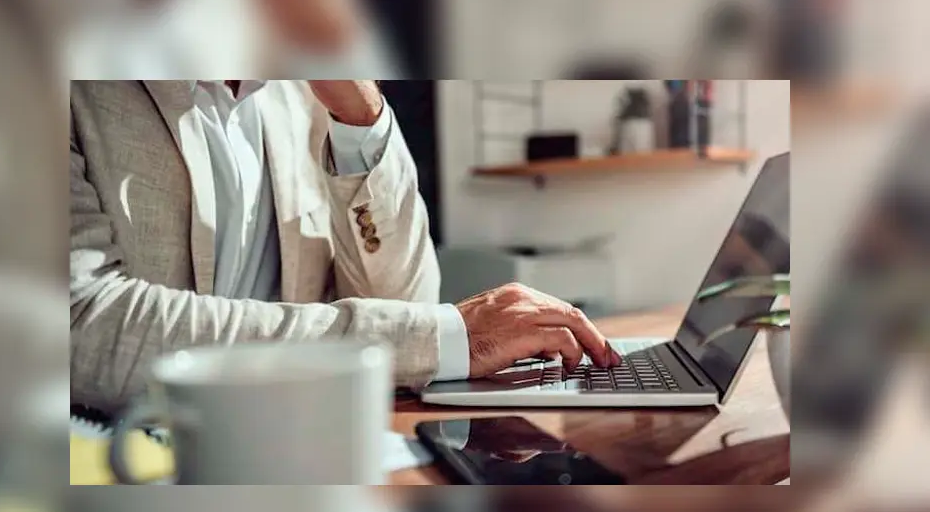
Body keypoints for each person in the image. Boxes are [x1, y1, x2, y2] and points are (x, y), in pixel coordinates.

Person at [70, 79, 621, 413]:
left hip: (302, 440)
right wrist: (445, 337)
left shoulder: (303, 99)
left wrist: (362, 116)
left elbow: (406, 298)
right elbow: (79, 325)